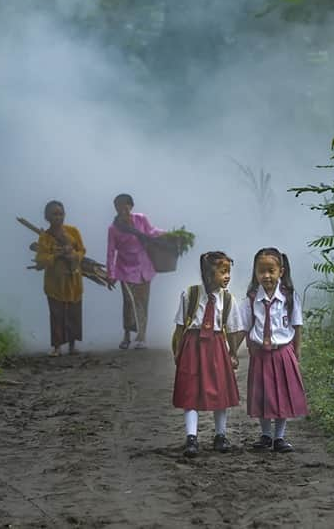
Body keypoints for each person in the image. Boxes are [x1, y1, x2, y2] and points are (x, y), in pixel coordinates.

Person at [237, 247, 308, 453]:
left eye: (271, 270)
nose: (266, 275)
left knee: (282, 394)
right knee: (263, 394)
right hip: (260, 354)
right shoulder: (251, 299)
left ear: (281, 271)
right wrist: (234, 350)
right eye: (261, 271)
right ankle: (266, 435)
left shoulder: (290, 297)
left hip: (283, 351)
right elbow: (245, 327)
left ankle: (279, 437)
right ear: (255, 272)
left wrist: (297, 353)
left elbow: (297, 326)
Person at [172, 251, 243, 457]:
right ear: (208, 274)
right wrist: (177, 351)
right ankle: (191, 437)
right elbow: (179, 327)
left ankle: (220, 435)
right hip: (192, 347)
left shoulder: (228, 300)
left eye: (228, 271)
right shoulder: (191, 294)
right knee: (190, 392)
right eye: (223, 272)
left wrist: (233, 353)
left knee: (220, 392)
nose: (227, 276)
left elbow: (231, 330)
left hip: (216, 347)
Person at [106, 193, 165, 349]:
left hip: (144, 267)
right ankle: (126, 336)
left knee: (143, 302)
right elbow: (111, 251)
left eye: (126, 204)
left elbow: (151, 232)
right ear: (115, 208)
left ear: (131, 206)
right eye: (119, 205)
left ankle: (141, 337)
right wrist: (110, 274)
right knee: (128, 303)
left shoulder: (140, 219)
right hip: (124, 268)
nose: (123, 208)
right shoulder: (113, 229)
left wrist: (169, 234)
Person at [35, 200, 86, 357]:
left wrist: (72, 254)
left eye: (60, 214)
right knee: (56, 314)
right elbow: (41, 259)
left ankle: (72, 345)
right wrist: (56, 255)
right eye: (54, 214)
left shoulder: (73, 231)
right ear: (47, 217)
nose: (58, 217)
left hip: (73, 279)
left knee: (73, 312)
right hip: (55, 283)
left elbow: (82, 251)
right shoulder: (45, 237)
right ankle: (57, 346)